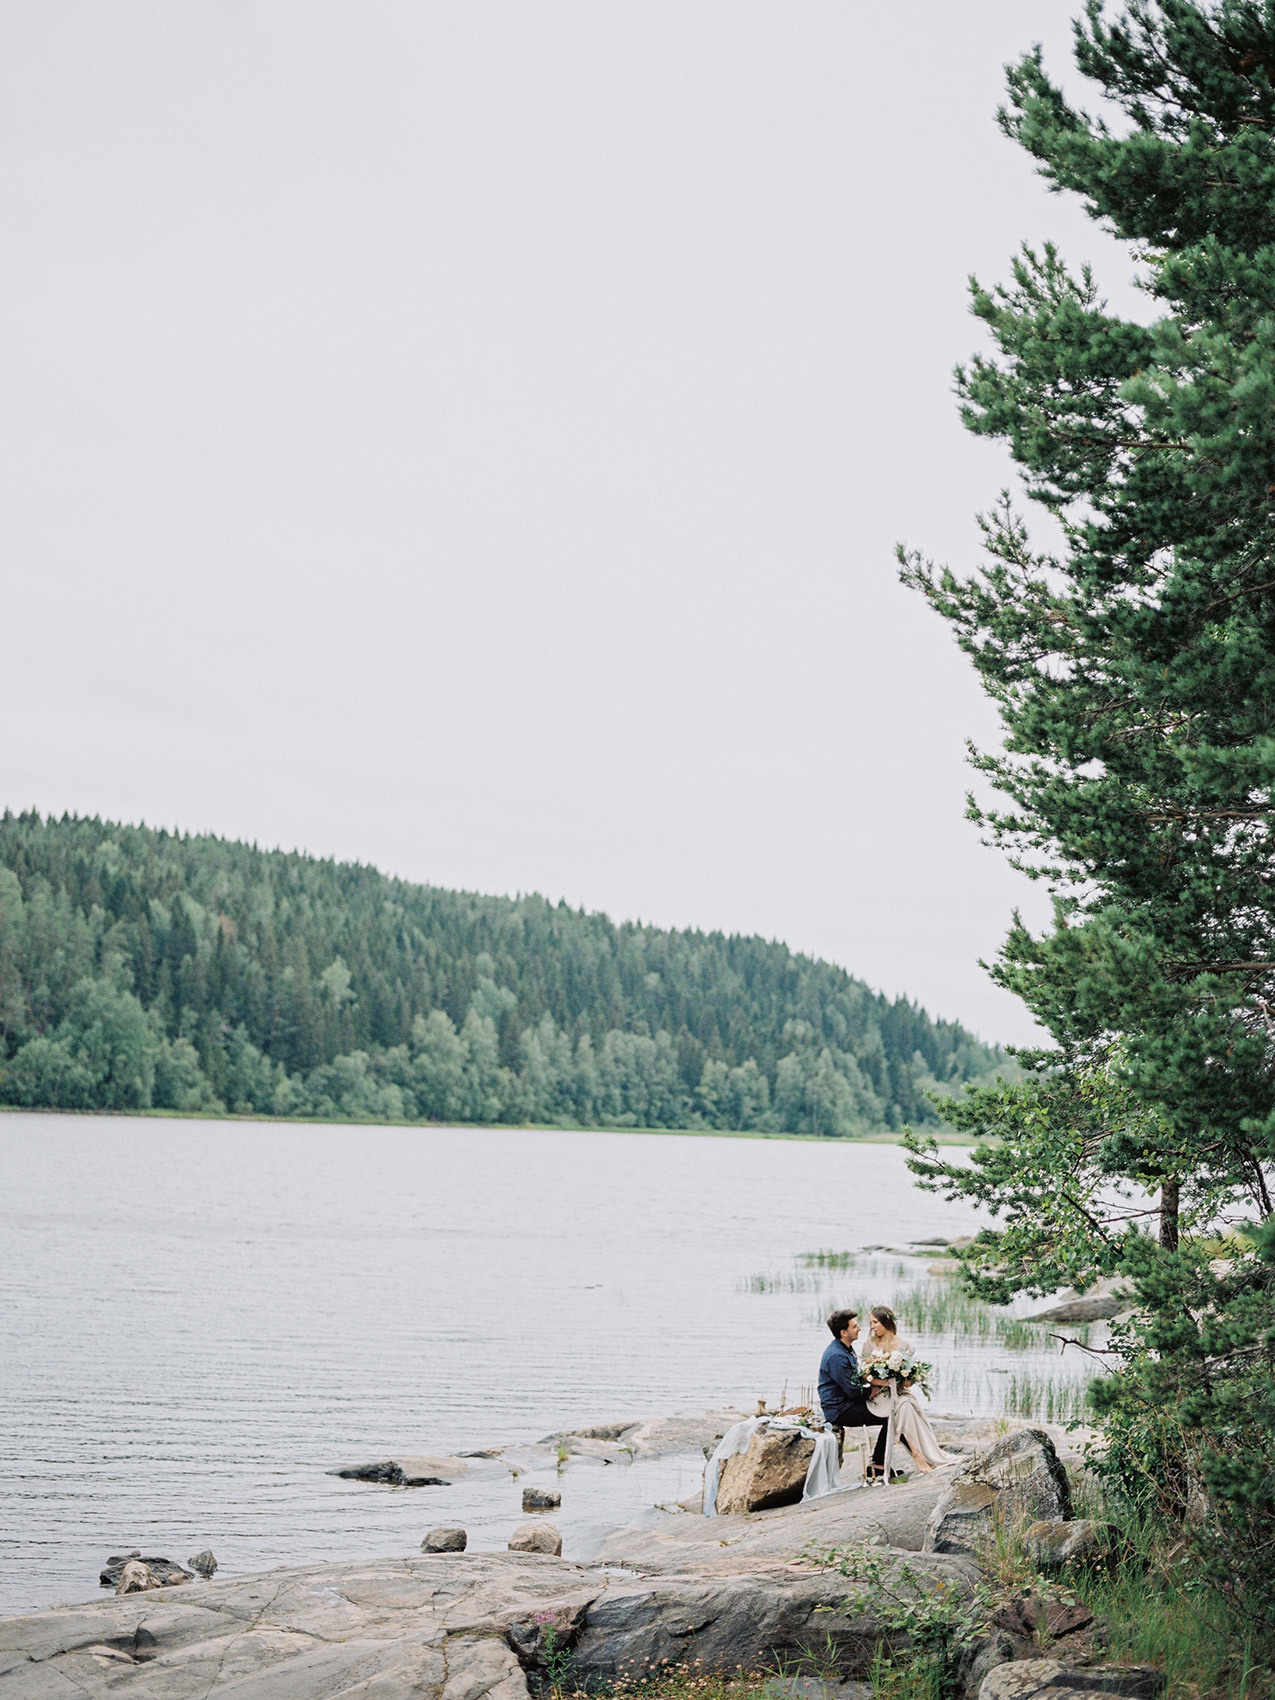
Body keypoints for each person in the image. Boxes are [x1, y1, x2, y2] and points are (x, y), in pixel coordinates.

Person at [861, 1305, 959, 1472]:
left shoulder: (904, 1344)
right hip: (879, 1396)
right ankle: (917, 1455)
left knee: (906, 1404)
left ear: (886, 1321)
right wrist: (882, 1381)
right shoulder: (869, 1345)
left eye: (875, 1322)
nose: (872, 1327)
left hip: (899, 1392)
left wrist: (907, 1380)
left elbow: (909, 1379)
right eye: (871, 1323)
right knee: (904, 1406)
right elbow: (865, 1375)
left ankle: (926, 1454)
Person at [817, 1307, 893, 1479]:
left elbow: (857, 1382)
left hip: (848, 1403)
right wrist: (875, 1389)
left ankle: (880, 1462)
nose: (859, 1328)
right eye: (855, 1326)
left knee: (896, 1409)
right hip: (840, 1409)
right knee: (892, 1416)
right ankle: (878, 1464)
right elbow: (853, 1391)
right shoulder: (836, 1355)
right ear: (844, 1332)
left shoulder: (846, 1349)